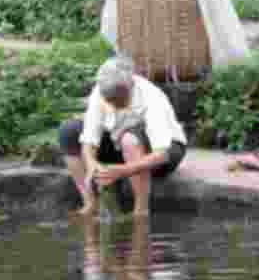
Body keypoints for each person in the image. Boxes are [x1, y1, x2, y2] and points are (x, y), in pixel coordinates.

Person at [59, 56, 187, 217]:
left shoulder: (151, 97)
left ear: (131, 85)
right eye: (109, 100)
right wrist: (91, 163)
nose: (114, 104)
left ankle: (141, 211)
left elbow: (162, 154)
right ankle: (91, 203)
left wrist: (123, 170)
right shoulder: (101, 90)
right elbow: (89, 139)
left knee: (130, 140)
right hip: (120, 147)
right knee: (68, 132)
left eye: (119, 99)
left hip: (164, 155)